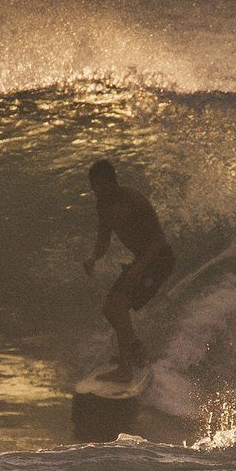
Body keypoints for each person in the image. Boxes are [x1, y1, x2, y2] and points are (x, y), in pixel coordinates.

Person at [82, 158, 175, 384]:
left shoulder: (134, 201)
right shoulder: (102, 205)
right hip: (141, 261)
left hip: (159, 260)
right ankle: (134, 351)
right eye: (94, 187)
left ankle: (125, 369)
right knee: (109, 307)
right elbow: (104, 239)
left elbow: (159, 240)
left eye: (102, 185)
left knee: (118, 304)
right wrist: (94, 257)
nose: (98, 191)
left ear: (113, 182)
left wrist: (140, 267)